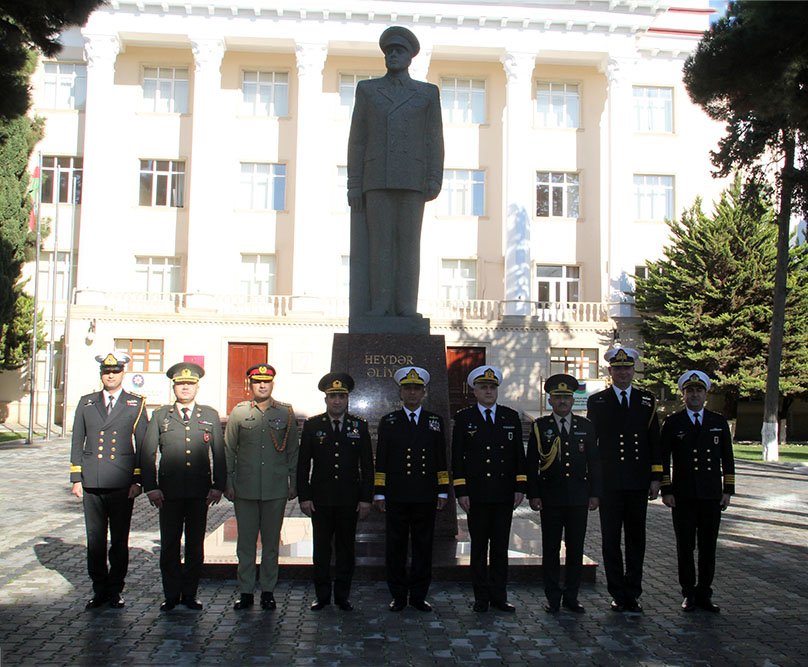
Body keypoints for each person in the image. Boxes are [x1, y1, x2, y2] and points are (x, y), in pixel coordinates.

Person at [347, 25, 444, 318]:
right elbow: (358, 138)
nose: (392, 56)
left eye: (398, 51)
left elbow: (433, 138)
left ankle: (405, 307)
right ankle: (380, 306)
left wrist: (434, 178)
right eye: (389, 51)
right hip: (376, 179)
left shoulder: (426, 94)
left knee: (408, 246)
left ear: (410, 57)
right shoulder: (368, 90)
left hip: (412, 181)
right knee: (379, 247)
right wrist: (354, 183)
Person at [140, 362, 226, 611]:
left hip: (200, 494)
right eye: (180, 384)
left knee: (195, 545)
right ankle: (171, 594)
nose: (185, 388)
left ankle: (190, 593)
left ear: (197, 387)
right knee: (169, 545)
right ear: (174, 387)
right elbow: (148, 453)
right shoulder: (160, 416)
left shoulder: (209, 415)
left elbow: (219, 453)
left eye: (189, 384)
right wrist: (151, 487)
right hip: (169, 494)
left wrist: (218, 485)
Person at [69, 351, 148, 609]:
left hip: (121, 482)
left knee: (119, 540)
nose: (110, 375)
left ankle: (115, 589)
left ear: (123, 373)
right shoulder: (87, 402)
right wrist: (76, 477)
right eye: (106, 372)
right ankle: (99, 588)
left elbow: (144, 445)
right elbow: (77, 440)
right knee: (95, 540)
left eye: (115, 372)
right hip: (92, 480)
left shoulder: (135, 404)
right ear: (101, 374)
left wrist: (138, 480)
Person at [586, 347, 661, 613]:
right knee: (610, 540)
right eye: (618, 369)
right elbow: (592, 447)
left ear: (633, 371)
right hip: (609, 484)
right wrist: (593, 484)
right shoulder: (598, 402)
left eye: (627, 368)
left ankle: (634, 592)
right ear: (610, 372)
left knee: (636, 539)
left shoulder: (646, 401)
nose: (623, 373)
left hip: (638, 482)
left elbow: (655, 442)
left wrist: (656, 478)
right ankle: (617, 592)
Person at [224, 364, 299, 611]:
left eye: (266, 381)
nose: (262, 385)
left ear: (273, 384)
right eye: (257, 382)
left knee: (271, 544)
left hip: (275, 488)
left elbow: (293, 453)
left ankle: (268, 590)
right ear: (251, 385)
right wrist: (228, 482)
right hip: (245, 488)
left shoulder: (286, 413)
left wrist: (293, 483)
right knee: (245, 543)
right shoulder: (239, 413)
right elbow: (229, 449)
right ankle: (246, 591)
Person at [451, 365, 526, 613]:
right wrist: (461, 491)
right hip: (477, 495)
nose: (488, 391)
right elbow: (458, 459)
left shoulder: (509, 417)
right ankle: (480, 597)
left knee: (500, 548)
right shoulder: (464, 419)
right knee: (479, 548)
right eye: (483, 387)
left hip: (504, 494)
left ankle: (499, 596)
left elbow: (518, 457)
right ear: (474, 391)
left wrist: (520, 487)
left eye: (492, 387)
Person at [374, 366, 449, 613]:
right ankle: (397, 594)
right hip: (396, 494)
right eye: (408, 389)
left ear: (424, 393)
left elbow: (440, 458)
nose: (413, 394)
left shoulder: (435, 422)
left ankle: (418, 595)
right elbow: (381, 459)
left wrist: (442, 490)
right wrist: (380, 492)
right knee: (395, 546)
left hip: (425, 494)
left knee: (423, 546)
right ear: (401, 393)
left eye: (417, 389)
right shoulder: (389, 421)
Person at [297, 372, 373, 612]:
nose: (337, 401)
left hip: (349, 500)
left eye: (341, 396)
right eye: (333, 397)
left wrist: (365, 499)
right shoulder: (313, 425)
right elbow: (303, 465)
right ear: (326, 400)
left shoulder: (358, 426)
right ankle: (321, 595)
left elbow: (367, 466)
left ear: (347, 398)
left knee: (345, 550)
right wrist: (305, 497)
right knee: (320, 549)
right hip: (321, 500)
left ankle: (342, 595)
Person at [661, 370, 735, 613]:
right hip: (683, 496)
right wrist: (667, 489)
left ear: (705, 394)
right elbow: (664, 459)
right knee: (685, 547)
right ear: (683, 394)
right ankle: (688, 593)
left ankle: (705, 592)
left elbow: (728, 458)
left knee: (708, 547)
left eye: (699, 390)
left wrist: (728, 490)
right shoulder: (673, 423)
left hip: (711, 495)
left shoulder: (718, 422)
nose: (694, 395)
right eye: (690, 390)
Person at [527, 374, 601, 614]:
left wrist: (595, 494)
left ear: (572, 400)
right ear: (550, 400)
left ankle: (572, 595)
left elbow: (594, 463)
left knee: (575, 548)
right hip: (551, 498)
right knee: (550, 549)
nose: (562, 402)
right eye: (558, 397)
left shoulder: (586, 427)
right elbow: (532, 464)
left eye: (566, 397)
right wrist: (534, 495)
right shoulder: (540, 427)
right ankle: (552, 596)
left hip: (579, 498)